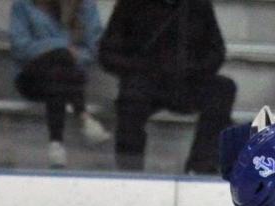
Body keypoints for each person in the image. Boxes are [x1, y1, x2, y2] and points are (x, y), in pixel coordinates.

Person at [97, 0, 237, 174]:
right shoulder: (131, 4)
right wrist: (140, 69)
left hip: (187, 80)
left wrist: (194, 69)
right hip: (144, 80)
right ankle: (129, 170)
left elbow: (217, 51)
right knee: (131, 99)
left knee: (223, 88)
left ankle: (201, 165)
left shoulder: (198, 5)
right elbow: (107, 53)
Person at [10, 0, 112, 169]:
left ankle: (56, 144)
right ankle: (84, 117)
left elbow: (93, 50)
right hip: (32, 76)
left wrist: (68, 54)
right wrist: (60, 48)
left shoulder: (86, 5)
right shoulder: (24, 5)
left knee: (58, 72)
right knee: (60, 59)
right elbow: (20, 47)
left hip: (69, 76)